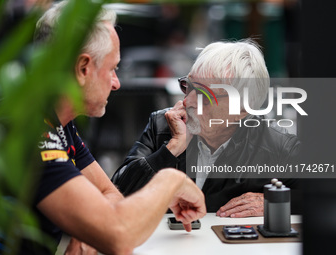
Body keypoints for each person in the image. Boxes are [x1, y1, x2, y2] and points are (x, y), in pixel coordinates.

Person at [20, 1, 206, 254]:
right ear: (83, 69)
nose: (117, 83)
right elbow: (119, 234)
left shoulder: (56, 120)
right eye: (112, 68)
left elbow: (109, 192)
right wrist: (171, 180)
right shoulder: (29, 131)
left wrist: (90, 229)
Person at [112, 40, 301, 217]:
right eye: (189, 86)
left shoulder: (276, 145)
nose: (187, 101)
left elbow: (322, 195)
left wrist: (275, 201)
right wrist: (171, 149)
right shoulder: (164, 124)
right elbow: (116, 194)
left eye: (204, 94)